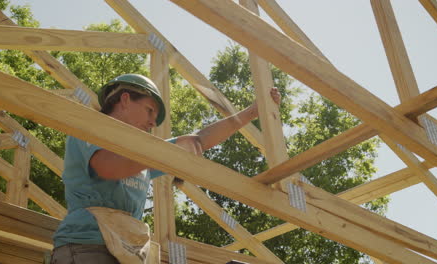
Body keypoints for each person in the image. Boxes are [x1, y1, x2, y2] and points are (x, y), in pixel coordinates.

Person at [50, 74, 281, 263]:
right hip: (86, 248)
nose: (153, 122)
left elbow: (200, 139)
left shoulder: (141, 155)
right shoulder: (90, 127)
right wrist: (161, 154)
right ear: (125, 99)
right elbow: (109, 168)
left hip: (125, 251)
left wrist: (253, 111)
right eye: (150, 110)